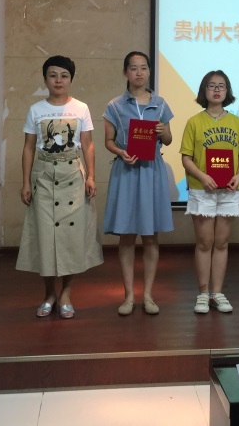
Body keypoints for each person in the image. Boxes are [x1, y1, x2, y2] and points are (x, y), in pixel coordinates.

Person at [16, 55, 103, 319]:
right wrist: (25, 182)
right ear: (45, 79)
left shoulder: (81, 108)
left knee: (70, 238)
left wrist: (91, 176)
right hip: (43, 177)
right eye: (53, 75)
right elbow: (28, 147)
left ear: (71, 79)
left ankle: (65, 293)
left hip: (72, 177)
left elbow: (87, 144)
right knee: (45, 237)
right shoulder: (36, 110)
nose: (58, 80)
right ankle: (49, 293)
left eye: (64, 76)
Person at [103, 51, 174, 316]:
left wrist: (163, 132)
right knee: (126, 236)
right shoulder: (114, 106)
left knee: (151, 236)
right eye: (133, 68)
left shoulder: (161, 104)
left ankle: (148, 296)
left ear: (149, 71)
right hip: (127, 170)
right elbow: (108, 141)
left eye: (143, 68)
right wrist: (121, 152)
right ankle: (128, 297)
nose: (139, 73)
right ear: (126, 72)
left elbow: (168, 140)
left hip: (152, 171)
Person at [180, 70, 239, 314]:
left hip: (229, 190)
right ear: (204, 90)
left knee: (221, 243)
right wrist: (203, 176)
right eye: (212, 86)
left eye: (221, 86)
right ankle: (202, 293)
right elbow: (186, 158)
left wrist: (238, 176)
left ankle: (217, 293)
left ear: (227, 91)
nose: (217, 90)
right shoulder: (194, 122)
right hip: (202, 189)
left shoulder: (237, 122)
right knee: (204, 242)